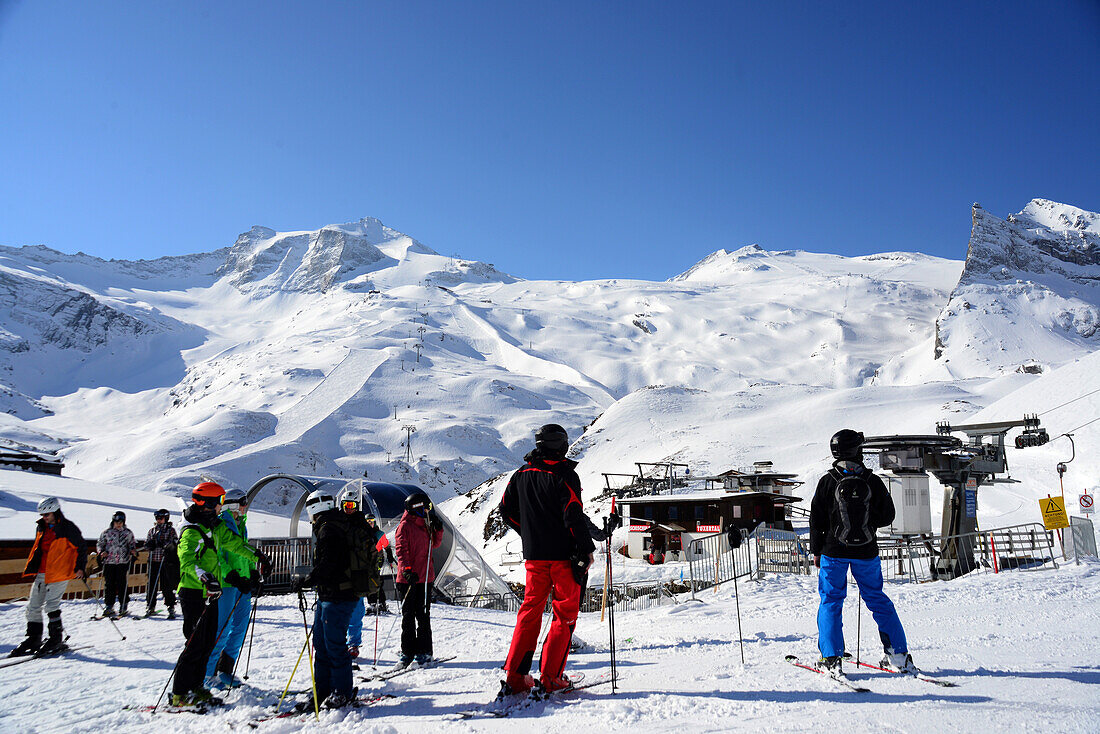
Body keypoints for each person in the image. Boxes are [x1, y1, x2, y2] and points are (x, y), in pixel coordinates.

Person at [499, 423, 596, 694]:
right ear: (561, 444)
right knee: (564, 614)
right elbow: (573, 514)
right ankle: (552, 677)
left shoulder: (521, 473)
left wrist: (528, 533)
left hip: (534, 556)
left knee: (529, 612)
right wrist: (586, 549)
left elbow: (506, 510)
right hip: (563, 556)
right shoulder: (565, 474)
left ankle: (515, 678)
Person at [810, 429, 916, 674]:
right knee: (878, 600)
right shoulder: (872, 480)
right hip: (866, 551)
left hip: (833, 552)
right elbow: (888, 515)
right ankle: (898, 655)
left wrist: (817, 550)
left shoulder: (827, 481)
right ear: (857, 451)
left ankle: (831, 658)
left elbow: (817, 520)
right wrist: (866, 524)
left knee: (831, 602)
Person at [172, 481, 261, 708]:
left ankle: (198, 686)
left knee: (206, 642)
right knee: (194, 644)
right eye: (219, 501)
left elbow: (236, 544)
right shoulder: (193, 529)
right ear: (211, 503)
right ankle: (180, 693)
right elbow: (187, 560)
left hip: (212, 592)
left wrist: (258, 558)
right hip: (194, 593)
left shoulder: (213, 525)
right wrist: (207, 578)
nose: (222, 506)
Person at [289, 489, 360, 708]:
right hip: (331, 595)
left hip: (338, 596)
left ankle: (341, 691)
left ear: (313, 509)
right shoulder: (333, 525)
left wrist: (307, 580)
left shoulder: (329, 529)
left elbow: (329, 564)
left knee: (333, 645)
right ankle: (324, 689)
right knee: (321, 643)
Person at [10, 497, 87, 657]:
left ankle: (55, 640)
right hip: (42, 572)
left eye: (47, 514)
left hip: (59, 572)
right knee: (33, 607)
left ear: (55, 511)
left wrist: (80, 567)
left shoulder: (67, 528)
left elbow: (81, 547)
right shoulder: (41, 527)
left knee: (51, 606)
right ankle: (34, 638)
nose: (44, 517)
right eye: (42, 515)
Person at [204, 488, 260, 689]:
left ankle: (225, 668)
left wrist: (253, 571)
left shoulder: (241, 525)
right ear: (233, 504)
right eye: (243, 502)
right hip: (228, 584)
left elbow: (244, 550)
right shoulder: (222, 524)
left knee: (241, 625)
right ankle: (208, 674)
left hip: (242, 582)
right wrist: (232, 575)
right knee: (223, 627)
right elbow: (218, 555)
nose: (246, 507)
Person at [393, 491, 444, 667]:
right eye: (425, 508)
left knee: (423, 616)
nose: (427, 511)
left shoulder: (425, 523)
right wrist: (407, 570)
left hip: (425, 578)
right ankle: (407, 652)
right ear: (416, 508)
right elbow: (401, 550)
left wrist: (438, 529)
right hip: (408, 579)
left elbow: (434, 545)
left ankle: (424, 652)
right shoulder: (405, 526)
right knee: (408, 616)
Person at [340, 485, 389, 659]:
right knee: (338, 610)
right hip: (340, 574)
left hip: (359, 575)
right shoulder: (337, 524)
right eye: (346, 505)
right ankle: (338, 643)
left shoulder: (364, 526)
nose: (348, 509)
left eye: (351, 506)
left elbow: (379, 543)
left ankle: (353, 644)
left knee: (356, 611)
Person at [97, 511, 137, 618]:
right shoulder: (107, 533)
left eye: (121, 522)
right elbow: (100, 544)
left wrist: (133, 551)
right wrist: (101, 552)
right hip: (109, 562)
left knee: (122, 584)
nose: (118, 524)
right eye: (116, 521)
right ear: (113, 521)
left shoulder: (128, 533)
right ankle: (109, 606)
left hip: (122, 562)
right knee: (109, 584)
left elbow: (132, 544)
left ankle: (123, 605)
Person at [144, 508, 179, 619]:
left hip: (165, 561)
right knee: (151, 584)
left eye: (161, 518)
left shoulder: (171, 530)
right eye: (157, 518)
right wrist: (149, 545)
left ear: (166, 518)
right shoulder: (152, 530)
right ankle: (150, 606)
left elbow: (175, 542)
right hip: (154, 560)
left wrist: (165, 545)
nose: (159, 520)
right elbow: (147, 544)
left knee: (166, 585)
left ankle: (171, 606)